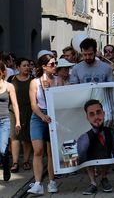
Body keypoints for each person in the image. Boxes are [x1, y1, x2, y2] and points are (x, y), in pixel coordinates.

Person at [27, 54, 58, 195]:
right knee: (38, 150)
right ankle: (38, 183)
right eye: (52, 64)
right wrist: (42, 116)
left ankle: (52, 181)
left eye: (55, 63)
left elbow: (61, 101)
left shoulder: (58, 80)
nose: (55, 66)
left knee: (51, 151)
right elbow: (33, 104)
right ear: (44, 66)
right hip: (38, 116)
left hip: (52, 116)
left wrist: (49, 89)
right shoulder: (35, 82)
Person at [77, 99, 114, 195]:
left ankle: (104, 178)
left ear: (103, 113)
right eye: (92, 114)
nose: (96, 117)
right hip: (91, 161)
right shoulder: (84, 138)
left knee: (106, 151)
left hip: (106, 159)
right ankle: (93, 183)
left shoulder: (110, 131)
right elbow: (82, 159)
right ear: (87, 117)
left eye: (98, 112)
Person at [8, 58, 33, 173]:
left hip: (29, 110)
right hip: (13, 110)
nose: (27, 67)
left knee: (27, 137)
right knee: (15, 136)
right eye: (24, 65)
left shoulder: (33, 79)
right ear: (17, 67)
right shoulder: (11, 79)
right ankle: (15, 162)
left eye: (28, 65)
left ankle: (26, 161)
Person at [0, 61, 20, 181]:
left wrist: (17, 121)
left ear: (2, 72)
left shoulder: (9, 86)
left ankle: (6, 167)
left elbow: (15, 105)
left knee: (3, 149)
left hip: (4, 120)